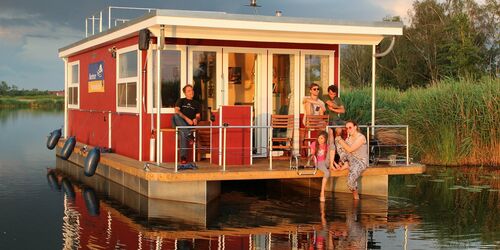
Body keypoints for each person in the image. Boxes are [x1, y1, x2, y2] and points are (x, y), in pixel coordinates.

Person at [334, 120, 368, 200]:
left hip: (360, 161)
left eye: (350, 127)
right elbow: (343, 151)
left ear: (355, 127)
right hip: (350, 160)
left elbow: (350, 149)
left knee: (350, 182)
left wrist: (340, 140)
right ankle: (345, 163)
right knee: (337, 139)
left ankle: (356, 196)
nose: (348, 130)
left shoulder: (361, 137)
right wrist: (340, 162)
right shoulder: (348, 139)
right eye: (347, 128)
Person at [172, 84, 201, 164]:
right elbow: (177, 111)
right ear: (185, 93)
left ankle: (183, 157)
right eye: (189, 91)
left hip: (188, 125)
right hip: (179, 122)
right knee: (175, 116)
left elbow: (198, 116)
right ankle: (189, 134)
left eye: (192, 90)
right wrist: (187, 119)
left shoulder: (196, 103)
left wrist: (196, 119)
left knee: (182, 132)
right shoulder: (181, 100)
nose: (191, 92)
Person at [310, 131, 335, 202]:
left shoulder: (327, 145)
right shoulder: (314, 144)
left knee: (332, 145)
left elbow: (330, 155)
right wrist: (312, 155)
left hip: (326, 162)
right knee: (327, 173)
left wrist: (334, 163)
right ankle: (322, 193)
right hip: (319, 163)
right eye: (319, 138)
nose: (319, 140)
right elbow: (312, 155)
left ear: (325, 139)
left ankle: (332, 165)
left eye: (321, 138)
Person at [325, 85, 345, 153]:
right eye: (331, 94)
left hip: (338, 120)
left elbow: (343, 111)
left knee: (351, 125)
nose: (332, 96)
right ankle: (336, 149)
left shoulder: (338, 99)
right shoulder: (325, 97)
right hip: (330, 120)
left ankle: (348, 148)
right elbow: (331, 104)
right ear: (328, 92)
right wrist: (338, 107)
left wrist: (333, 109)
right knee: (339, 130)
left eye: (334, 94)